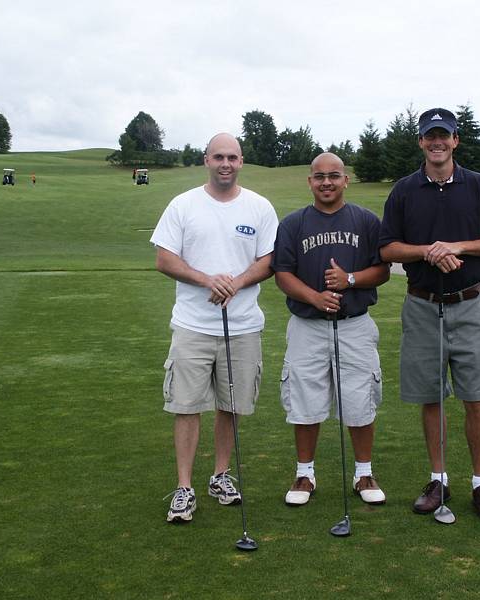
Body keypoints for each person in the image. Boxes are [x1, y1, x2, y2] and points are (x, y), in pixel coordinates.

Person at [378, 108, 480, 520]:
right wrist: (428, 252)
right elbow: (387, 248)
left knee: (476, 397)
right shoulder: (404, 190)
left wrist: (457, 246)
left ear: (455, 140)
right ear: (421, 141)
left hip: (470, 304)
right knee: (431, 396)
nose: (437, 142)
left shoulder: (479, 186)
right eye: (430, 136)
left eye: (444, 135)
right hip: (422, 306)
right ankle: (439, 479)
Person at [150, 133, 279, 523]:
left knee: (231, 406)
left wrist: (235, 283)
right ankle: (184, 487)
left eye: (232, 157)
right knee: (186, 407)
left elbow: (269, 260)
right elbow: (164, 259)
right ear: (206, 160)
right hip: (192, 325)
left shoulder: (259, 207)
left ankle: (220, 475)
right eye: (218, 157)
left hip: (243, 327)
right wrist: (208, 280)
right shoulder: (183, 204)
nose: (226, 164)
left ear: (241, 162)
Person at [272, 152, 390, 507]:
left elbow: (382, 270)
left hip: (354, 325)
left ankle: (364, 473)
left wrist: (349, 279)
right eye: (320, 176)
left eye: (334, 175)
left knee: (359, 398)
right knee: (304, 399)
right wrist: (315, 297)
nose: (327, 182)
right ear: (310, 181)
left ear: (346, 180)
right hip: (307, 326)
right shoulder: (293, 224)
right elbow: (282, 274)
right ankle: (304, 473)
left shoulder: (366, 221)